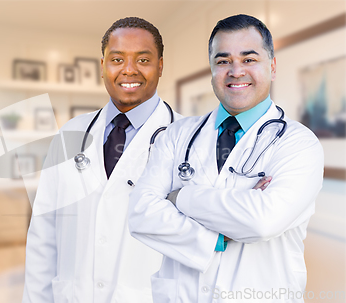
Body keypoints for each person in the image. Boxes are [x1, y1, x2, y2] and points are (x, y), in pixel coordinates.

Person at [128, 14, 323, 303]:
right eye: (223, 61)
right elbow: (140, 213)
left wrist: (180, 198)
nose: (235, 71)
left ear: (272, 66)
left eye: (249, 59)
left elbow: (262, 221)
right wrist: (216, 238)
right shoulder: (177, 134)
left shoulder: (299, 143)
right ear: (212, 70)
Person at [22, 17, 181, 302]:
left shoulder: (189, 140)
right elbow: (43, 235)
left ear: (160, 66)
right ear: (102, 67)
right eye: (117, 59)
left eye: (143, 59)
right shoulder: (70, 133)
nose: (129, 70)